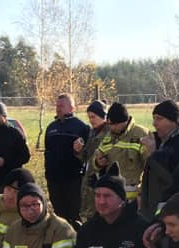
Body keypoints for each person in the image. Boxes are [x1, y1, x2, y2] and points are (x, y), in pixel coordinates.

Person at [139, 100, 179, 219]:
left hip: (173, 214)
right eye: (154, 118)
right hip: (151, 211)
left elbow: (171, 180)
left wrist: (153, 154)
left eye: (159, 119)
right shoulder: (158, 140)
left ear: (174, 121)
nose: (154, 123)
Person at [44, 93, 90, 227]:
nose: (58, 108)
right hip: (54, 181)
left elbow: (87, 154)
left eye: (61, 106)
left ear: (72, 108)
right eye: (57, 106)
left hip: (73, 181)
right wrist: (48, 174)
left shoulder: (81, 127)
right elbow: (47, 153)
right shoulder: (51, 127)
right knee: (59, 217)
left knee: (74, 216)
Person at [92, 102, 148, 201]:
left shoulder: (141, 134)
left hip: (134, 196)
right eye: (109, 124)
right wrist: (98, 163)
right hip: (113, 195)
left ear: (124, 121)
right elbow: (97, 158)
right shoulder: (108, 136)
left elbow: (149, 166)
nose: (111, 127)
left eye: (114, 124)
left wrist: (143, 191)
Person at [0, 102, 30, 196]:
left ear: (5, 116)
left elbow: (25, 156)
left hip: (11, 183)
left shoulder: (15, 134)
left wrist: (5, 161)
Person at [76, 100, 109, 223]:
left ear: (102, 116)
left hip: (101, 180)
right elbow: (87, 157)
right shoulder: (92, 132)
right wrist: (79, 151)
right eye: (89, 117)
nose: (91, 120)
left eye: (93, 117)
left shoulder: (109, 133)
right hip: (88, 180)